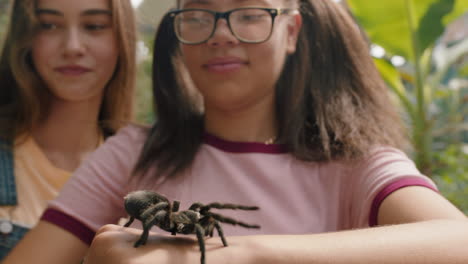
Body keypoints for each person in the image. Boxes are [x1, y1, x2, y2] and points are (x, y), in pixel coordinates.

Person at [5, 0, 468, 263]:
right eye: (199, 15)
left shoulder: (356, 162)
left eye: (248, 13)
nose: (220, 34)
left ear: (291, 31)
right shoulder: (132, 152)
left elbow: (458, 241)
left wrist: (237, 257)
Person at [0, 0, 136, 260]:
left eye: (94, 26)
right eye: (49, 25)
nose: (73, 47)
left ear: (123, 39)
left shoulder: (149, 170)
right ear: (25, 36)